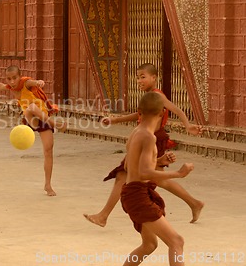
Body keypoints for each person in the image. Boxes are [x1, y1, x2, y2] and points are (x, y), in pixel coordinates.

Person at [84, 63, 204, 227]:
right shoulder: (149, 97)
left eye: (143, 77)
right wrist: (115, 120)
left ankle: (103, 216)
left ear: (154, 78)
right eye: (137, 77)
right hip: (145, 139)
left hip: (152, 140)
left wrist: (188, 126)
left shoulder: (157, 96)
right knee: (156, 179)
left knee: (123, 176)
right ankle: (194, 203)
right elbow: (140, 114)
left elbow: (176, 110)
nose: (139, 80)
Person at [121, 91, 193, 266]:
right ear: (162, 113)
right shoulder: (147, 136)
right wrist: (178, 174)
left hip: (133, 192)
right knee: (176, 241)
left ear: (139, 111)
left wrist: (158, 161)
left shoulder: (136, 132)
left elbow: (128, 167)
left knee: (149, 245)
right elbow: (144, 172)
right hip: (138, 195)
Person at [0, 66, 67, 196]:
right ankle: (55, 124)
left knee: (48, 150)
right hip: (30, 118)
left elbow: (34, 82)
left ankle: (47, 184)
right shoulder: (11, 88)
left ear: (19, 77)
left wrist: (39, 82)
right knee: (30, 108)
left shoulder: (25, 83)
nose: (11, 82)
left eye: (14, 78)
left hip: (42, 116)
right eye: (9, 79)